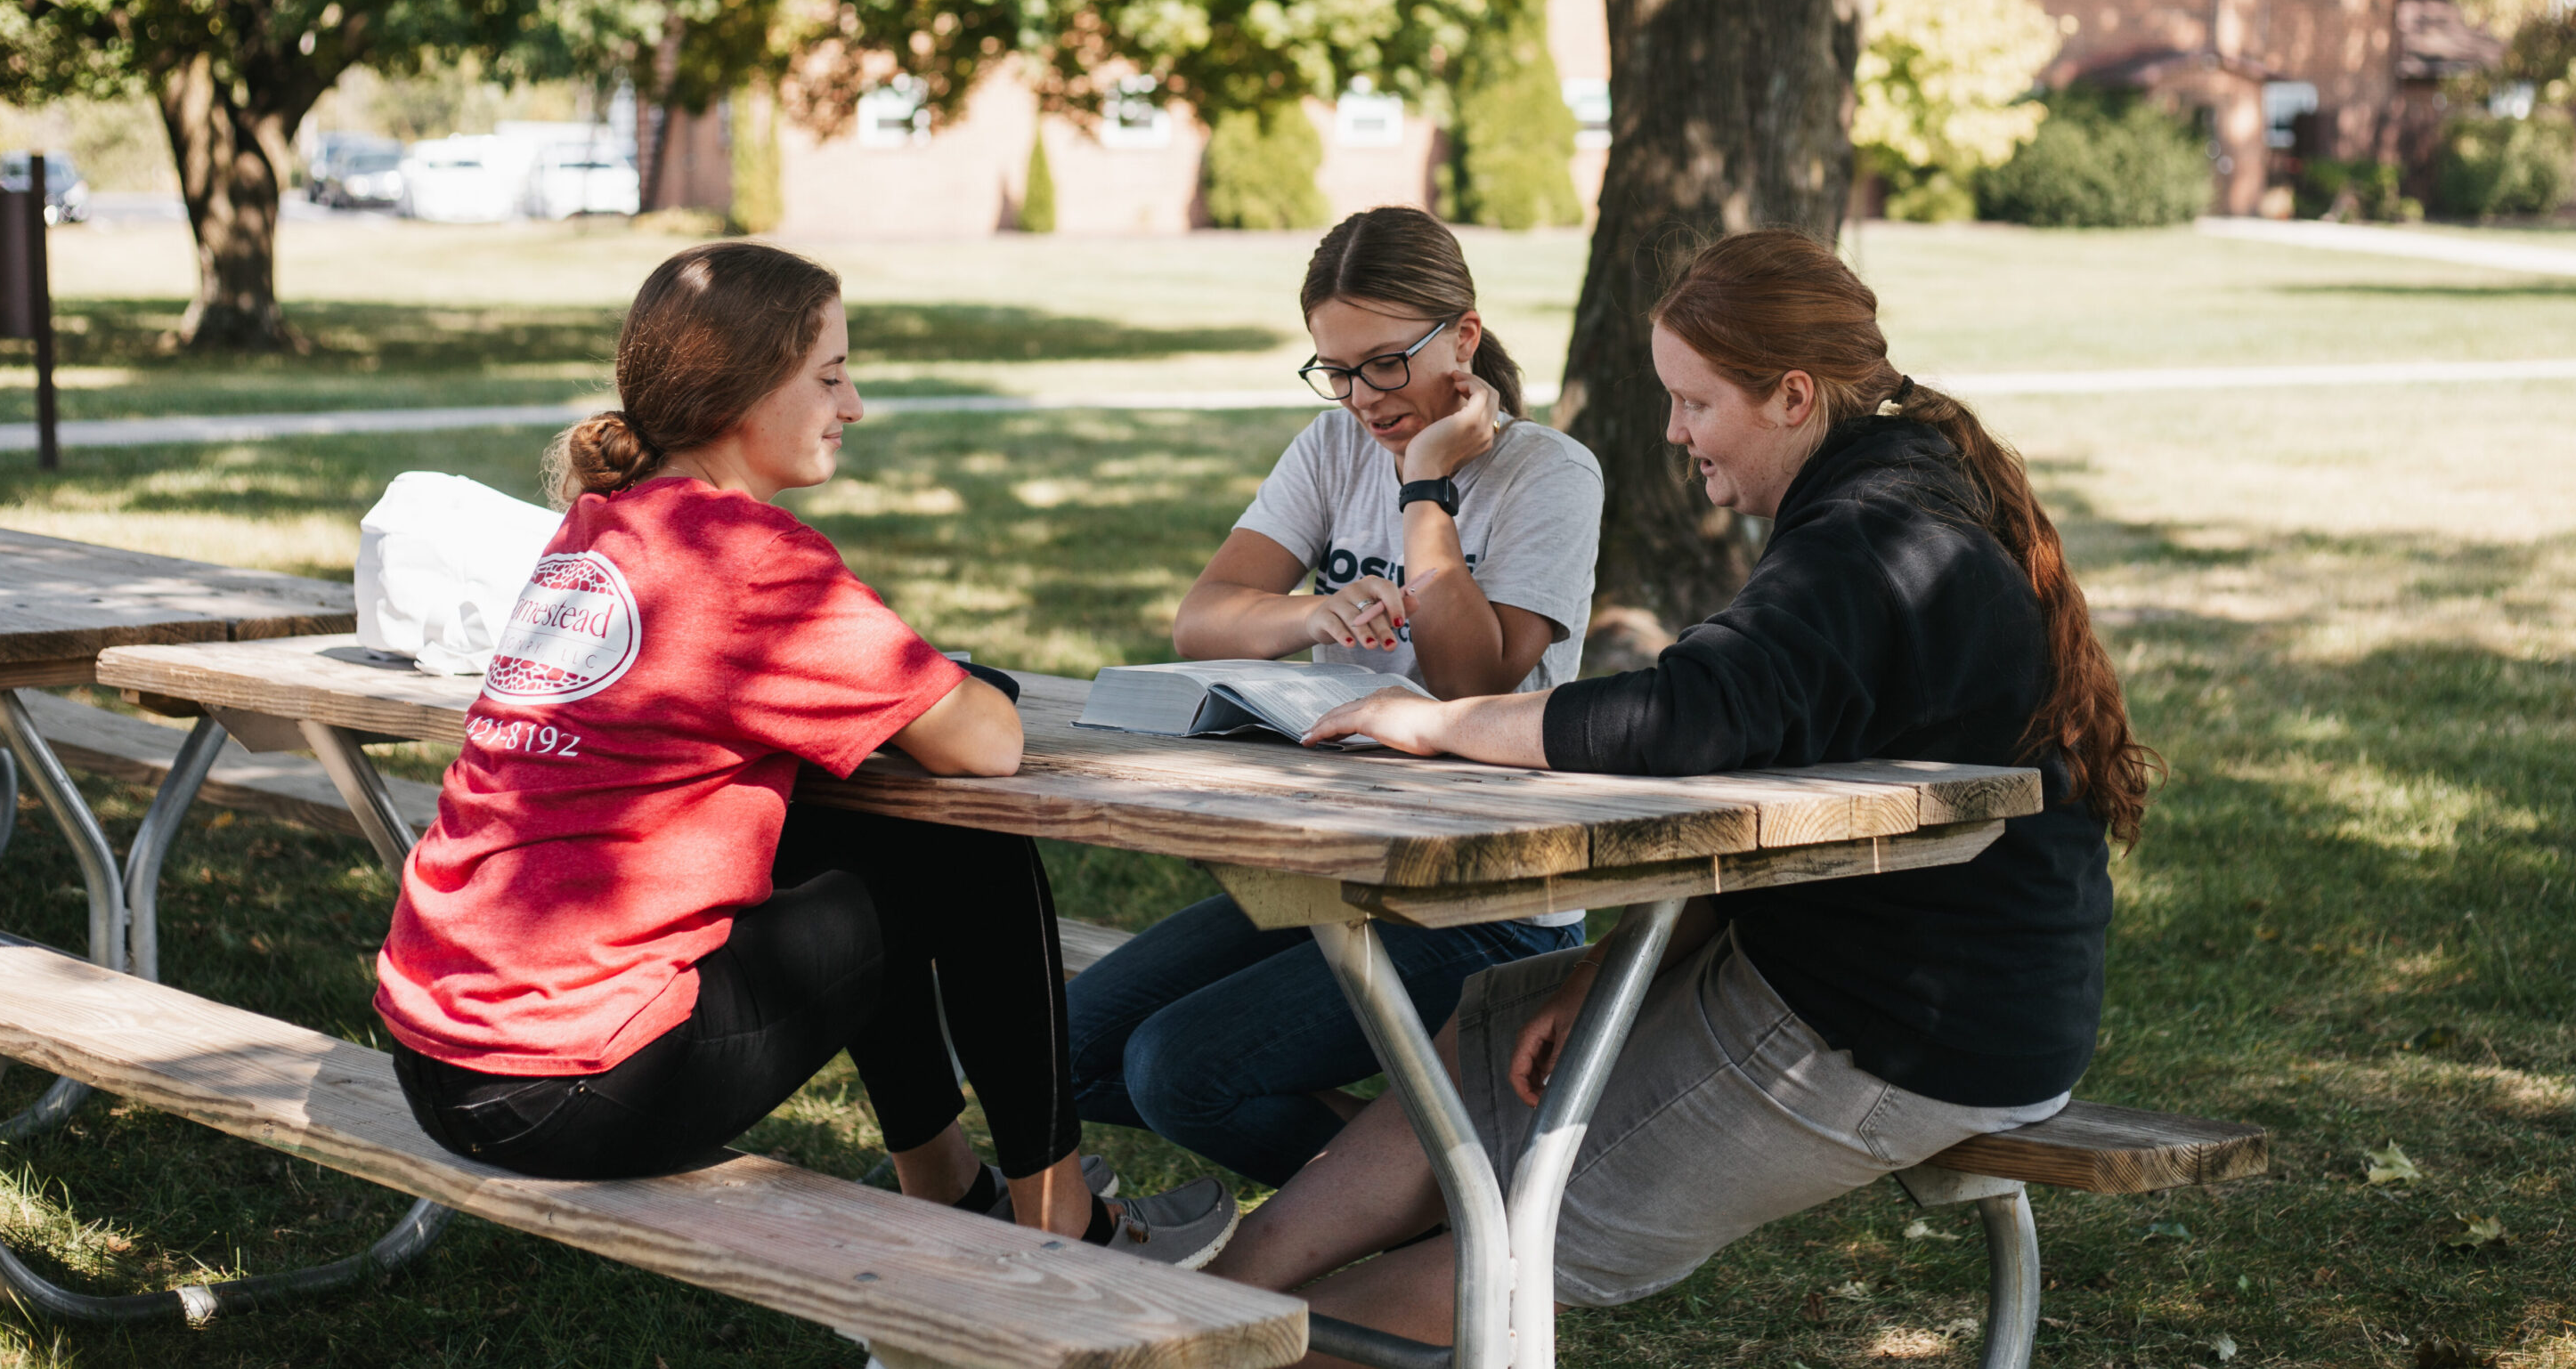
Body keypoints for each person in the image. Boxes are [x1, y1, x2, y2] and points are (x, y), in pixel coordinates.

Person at [1207, 227, 2159, 1339]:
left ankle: (1208, 1349)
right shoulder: (1881, 497)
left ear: (1794, 396)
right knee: (1480, 1031)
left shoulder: (1871, 533)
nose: (1674, 432)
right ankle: (1212, 1298)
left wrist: (1439, 723)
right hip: (1835, 969)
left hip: (1909, 1029)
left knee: (1521, 1226)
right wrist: (1601, 977)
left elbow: (1682, 718)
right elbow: (1754, 761)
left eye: (1695, 403)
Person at [373, 241, 1234, 1267]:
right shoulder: (749, 561)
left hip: (435, 1057)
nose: (855, 403)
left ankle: (953, 1191)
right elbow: (987, 744)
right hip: (571, 1081)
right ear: (740, 391)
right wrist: (970, 686)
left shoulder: (603, 527)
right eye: (830, 374)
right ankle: (1067, 1223)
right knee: (968, 848)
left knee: (851, 810)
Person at [1067, 207, 1605, 1187]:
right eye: (1337, 368)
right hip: (1335, 871)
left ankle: (1446, 1207)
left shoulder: (1549, 473)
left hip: (1488, 898)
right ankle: (1421, 1180)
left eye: (1385, 363)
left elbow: (1470, 684)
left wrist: (1426, 484)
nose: (1362, 395)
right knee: (1070, 1048)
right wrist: (1308, 614)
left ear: (1466, 338)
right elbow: (1202, 617)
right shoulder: (1327, 448)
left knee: (1175, 1070)